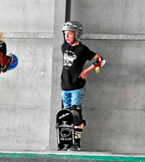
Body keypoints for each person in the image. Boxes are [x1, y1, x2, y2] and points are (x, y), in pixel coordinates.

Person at [60, 21, 105, 151]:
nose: (67, 36)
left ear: (77, 34)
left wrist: (86, 71)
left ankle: (76, 143)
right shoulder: (63, 47)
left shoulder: (82, 49)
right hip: (65, 86)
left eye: (69, 33)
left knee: (76, 114)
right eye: (65, 34)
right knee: (66, 117)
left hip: (77, 88)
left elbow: (100, 60)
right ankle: (67, 143)